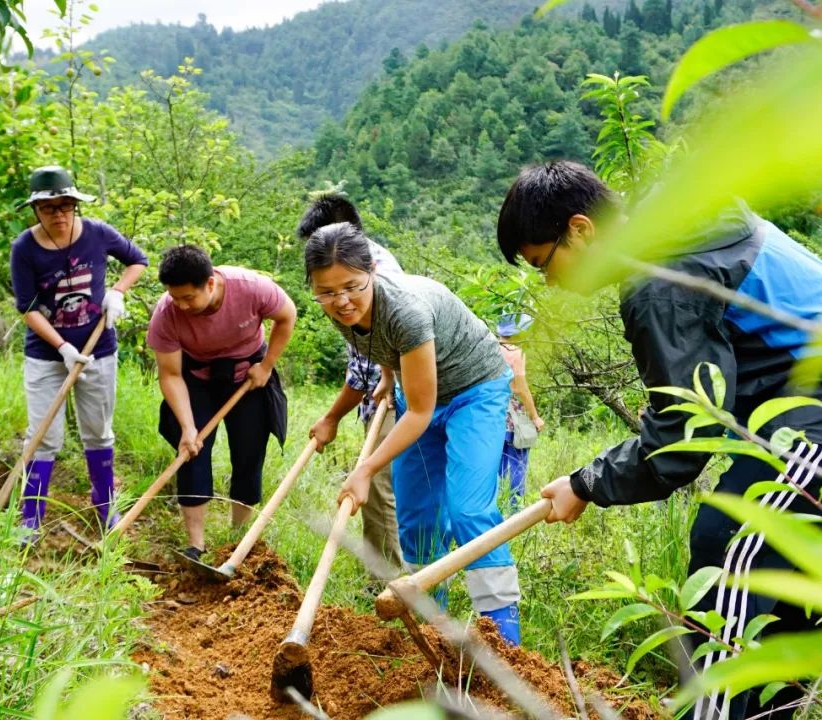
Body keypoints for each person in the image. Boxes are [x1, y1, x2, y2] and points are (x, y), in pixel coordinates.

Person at [497, 160, 822, 719]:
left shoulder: (661, 281)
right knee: (785, 586)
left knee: (728, 550)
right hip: (796, 406)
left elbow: (686, 433)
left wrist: (585, 484)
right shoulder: (682, 223)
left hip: (809, 416)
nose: (550, 282)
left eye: (544, 263)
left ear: (580, 229)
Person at [305, 222, 523, 646]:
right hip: (418, 391)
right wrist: (388, 376)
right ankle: (430, 628)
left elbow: (421, 412)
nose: (341, 301)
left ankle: (504, 638)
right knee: (416, 520)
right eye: (326, 292)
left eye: (351, 287)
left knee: (468, 511)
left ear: (372, 272)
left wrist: (365, 469)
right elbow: (378, 341)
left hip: (474, 392)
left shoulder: (407, 311)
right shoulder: (340, 309)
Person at [10, 165, 148, 538]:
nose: (58, 214)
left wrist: (117, 292)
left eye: (65, 206)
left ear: (75, 204)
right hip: (45, 354)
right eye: (48, 208)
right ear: (36, 210)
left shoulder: (98, 234)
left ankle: (105, 504)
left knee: (98, 431)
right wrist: (62, 346)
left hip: (99, 348)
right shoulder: (24, 248)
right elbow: (27, 307)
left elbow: (138, 260)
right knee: (43, 436)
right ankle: (30, 517)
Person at [146, 245, 295, 561]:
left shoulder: (251, 287)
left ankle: (237, 540)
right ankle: (195, 545)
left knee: (249, 453)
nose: (182, 305)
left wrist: (267, 366)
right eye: (175, 297)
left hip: (248, 375)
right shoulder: (166, 313)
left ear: (210, 283)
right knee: (191, 453)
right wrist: (188, 427)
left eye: (189, 298)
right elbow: (170, 374)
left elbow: (286, 315)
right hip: (197, 378)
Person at [296, 193, 403, 570]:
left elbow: (366, 369)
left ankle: (389, 580)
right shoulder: (345, 276)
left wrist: (332, 417)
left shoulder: (372, 278)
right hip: (386, 383)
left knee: (376, 483)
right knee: (383, 484)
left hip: (404, 393)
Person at [495, 312, 545, 510]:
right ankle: (514, 509)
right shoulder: (516, 352)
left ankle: (495, 507)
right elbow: (520, 388)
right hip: (515, 419)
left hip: (493, 415)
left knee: (496, 465)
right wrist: (535, 417)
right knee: (518, 463)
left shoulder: (490, 348)